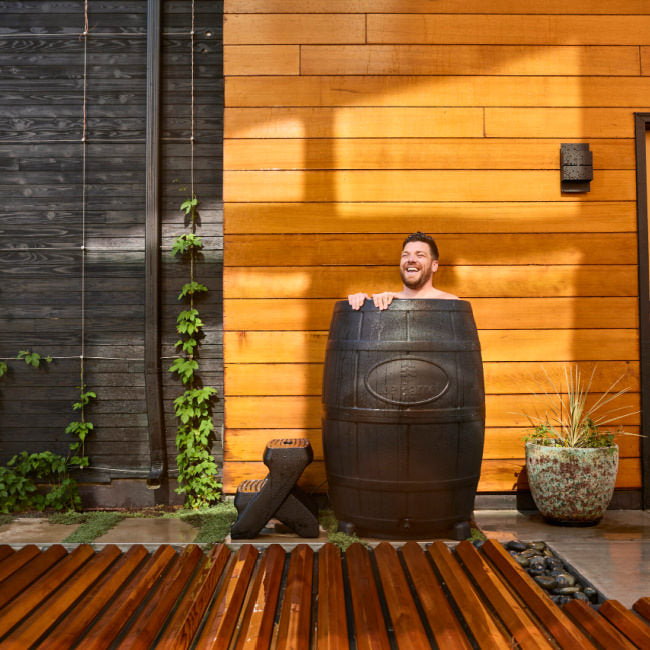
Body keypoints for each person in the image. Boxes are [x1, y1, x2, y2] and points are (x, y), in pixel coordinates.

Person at [348, 231, 458, 310]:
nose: (411, 260)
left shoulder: (453, 304)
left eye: (420, 255)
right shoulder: (385, 303)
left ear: (434, 265)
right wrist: (362, 304)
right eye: (405, 255)